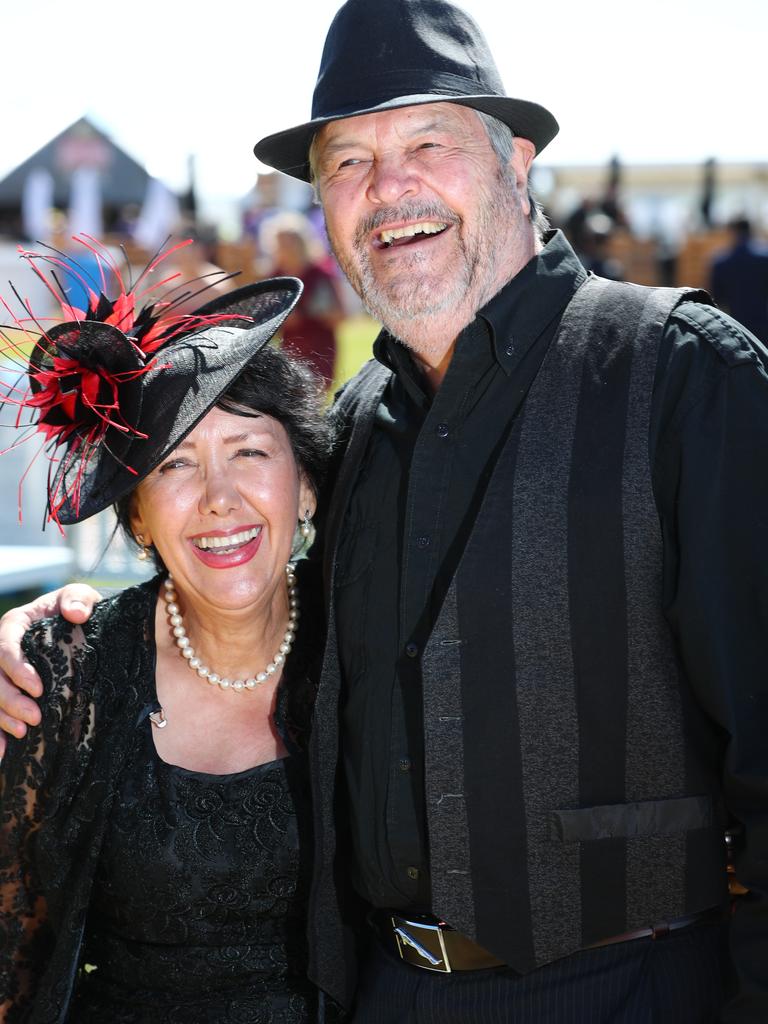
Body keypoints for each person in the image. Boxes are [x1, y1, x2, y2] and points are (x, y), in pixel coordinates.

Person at [2, 1, 768, 1020]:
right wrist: (53, 634)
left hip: (630, 988)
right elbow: (251, 600)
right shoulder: (356, 423)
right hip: (380, 994)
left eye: (427, 142)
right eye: (349, 162)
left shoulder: (681, 373)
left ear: (517, 160)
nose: (388, 187)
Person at [0, 241, 334, 1021]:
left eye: (250, 451)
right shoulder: (64, 670)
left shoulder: (368, 640)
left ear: (307, 487)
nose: (220, 497)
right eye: (177, 466)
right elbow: (12, 954)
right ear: (139, 517)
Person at [260, 211, 345, 388]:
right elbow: (265, 322)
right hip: (290, 351)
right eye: (282, 243)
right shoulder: (275, 277)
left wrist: (317, 313)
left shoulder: (320, 273)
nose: (287, 248)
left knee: (315, 397)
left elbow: (339, 316)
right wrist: (280, 319)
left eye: (291, 242)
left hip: (320, 347)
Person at [709, 217, 768, 344]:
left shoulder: (721, 261)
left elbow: (716, 299)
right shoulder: (765, 257)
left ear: (732, 232)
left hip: (737, 325)